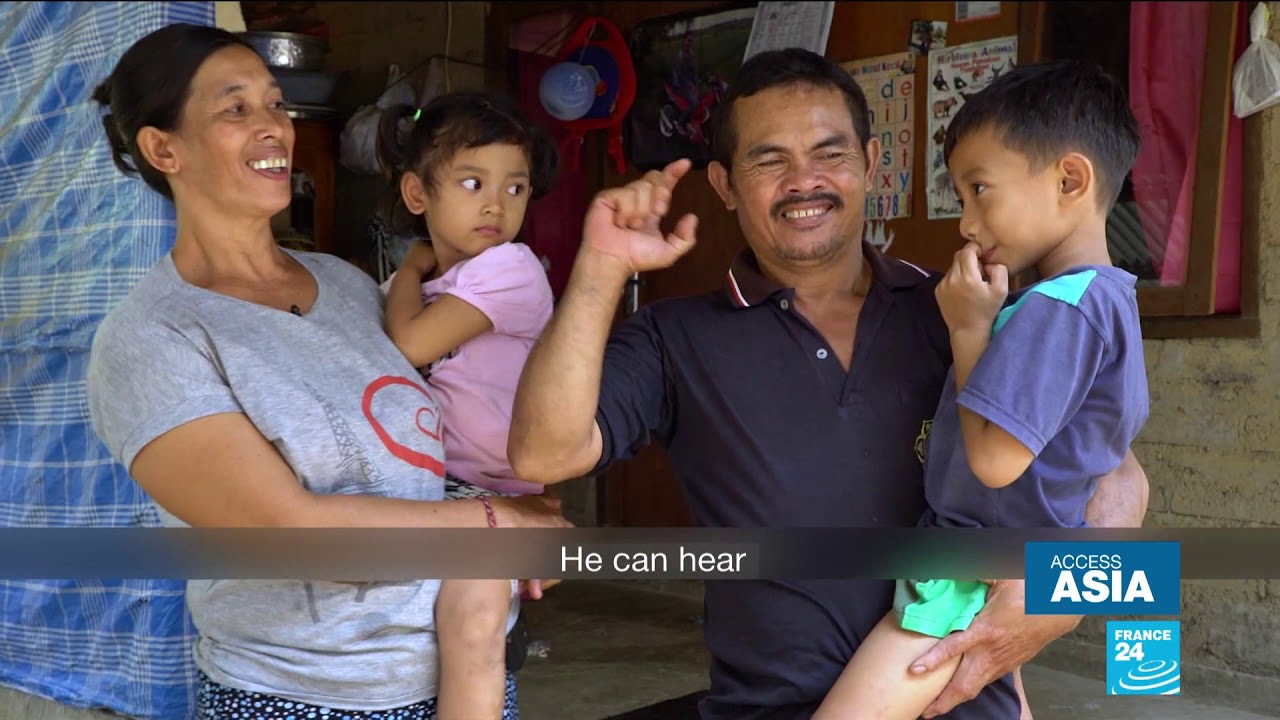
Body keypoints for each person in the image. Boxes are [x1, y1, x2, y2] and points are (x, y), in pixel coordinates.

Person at [507, 48, 1150, 719]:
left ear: (871, 163)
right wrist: (601, 267)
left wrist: (1059, 601)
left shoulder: (963, 310)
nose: (804, 180)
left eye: (829, 153)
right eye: (769, 159)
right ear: (724, 184)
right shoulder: (677, 339)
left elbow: (1120, 476)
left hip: (950, 699)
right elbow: (541, 454)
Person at [84, 23, 569, 720]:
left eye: (276, 104)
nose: (273, 128)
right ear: (164, 148)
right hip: (308, 700)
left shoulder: (345, 288)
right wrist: (500, 523)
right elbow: (298, 534)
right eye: (236, 109)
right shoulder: (152, 340)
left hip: (463, 682)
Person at [811, 60, 1149, 720]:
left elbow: (996, 462)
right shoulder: (1111, 299)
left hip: (973, 561)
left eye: (979, 190)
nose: (966, 223)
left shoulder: (1058, 309)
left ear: (1069, 180)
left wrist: (970, 330)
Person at [374, 91, 559, 720]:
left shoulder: (512, 269)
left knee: (474, 623)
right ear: (417, 194)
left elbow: (407, 343)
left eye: (516, 188)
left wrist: (410, 268)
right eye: (474, 182)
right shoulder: (429, 286)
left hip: (492, 494)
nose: (496, 205)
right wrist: (415, 274)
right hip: (430, 489)